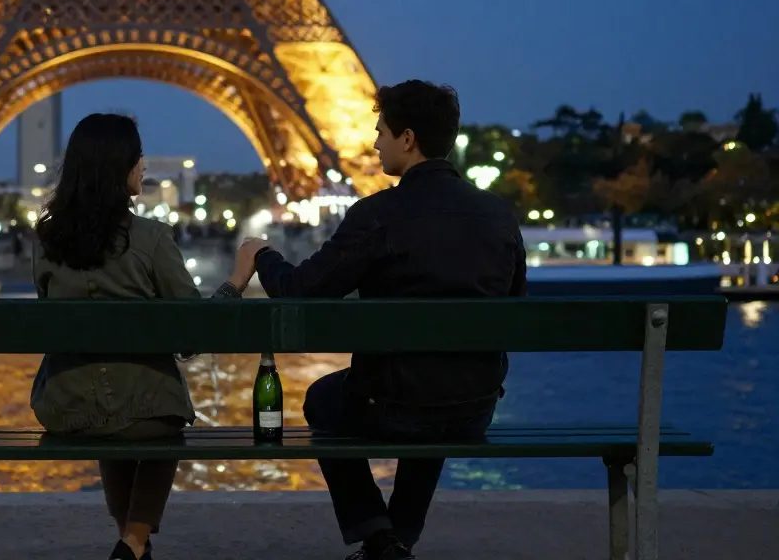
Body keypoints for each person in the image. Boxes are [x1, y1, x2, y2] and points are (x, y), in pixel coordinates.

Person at [233, 80, 526, 560]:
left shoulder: (377, 215)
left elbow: (303, 291)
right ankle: (400, 534)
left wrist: (262, 254)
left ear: (407, 139)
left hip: (393, 402)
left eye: (381, 132)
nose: (373, 143)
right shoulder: (498, 215)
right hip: (474, 407)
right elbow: (515, 306)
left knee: (322, 402)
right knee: (436, 396)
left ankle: (379, 534)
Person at [30, 113, 249, 560]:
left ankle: (134, 546)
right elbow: (194, 333)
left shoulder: (46, 241)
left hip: (66, 406)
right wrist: (237, 282)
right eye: (138, 156)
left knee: (106, 394)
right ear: (120, 167)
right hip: (147, 413)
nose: (145, 165)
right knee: (152, 413)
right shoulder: (151, 238)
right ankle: (131, 543)